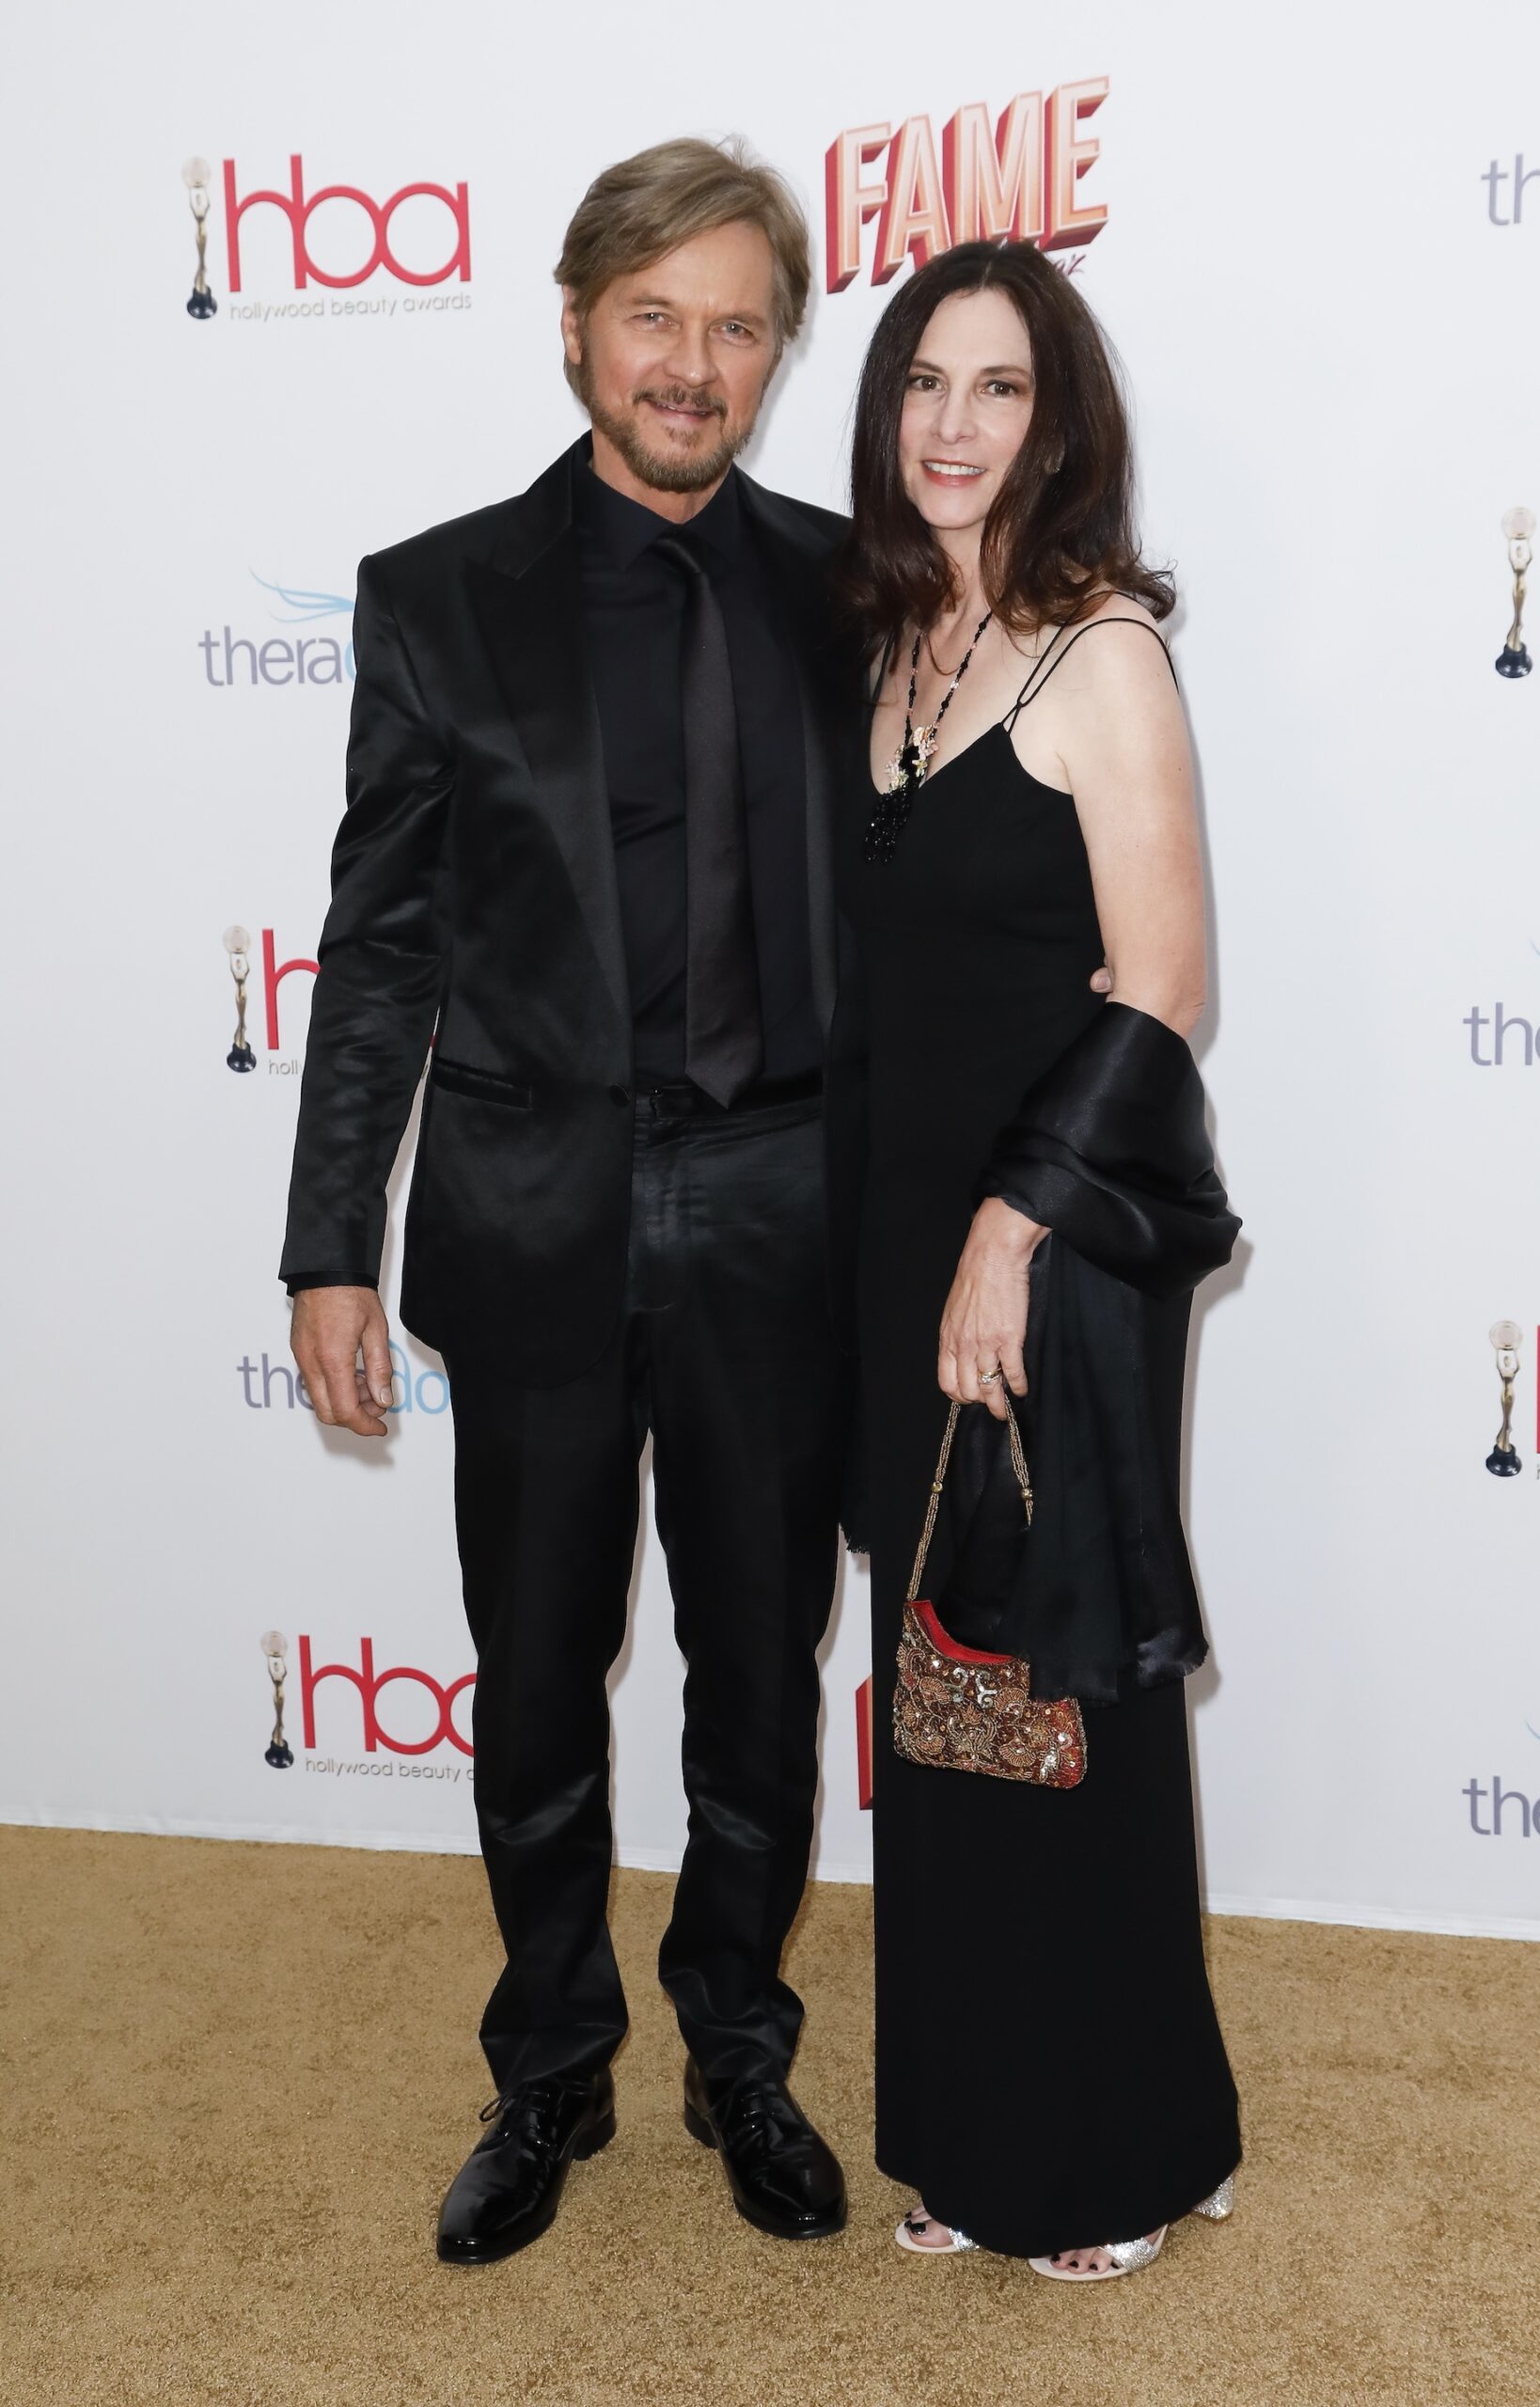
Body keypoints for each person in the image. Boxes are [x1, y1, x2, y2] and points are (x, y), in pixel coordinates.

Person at [280, 138, 860, 2265]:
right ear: (573, 322)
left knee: (756, 1666)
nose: (691, 365)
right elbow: (380, 947)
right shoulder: (435, 596)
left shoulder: (852, 581)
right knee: (530, 1673)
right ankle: (548, 2067)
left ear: (774, 354)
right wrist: (332, 1231)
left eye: (734, 327)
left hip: (783, 1208)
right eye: (654, 317)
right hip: (533, 1209)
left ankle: (737, 2039)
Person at [835, 240, 1242, 2281]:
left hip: (1055, 1236)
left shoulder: (1102, 658)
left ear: (1056, 417)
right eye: (921, 380)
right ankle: (975, 2129)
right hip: (896, 1241)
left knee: (1056, 1657)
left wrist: (1005, 1229)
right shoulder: (888, 647)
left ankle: (1122, 2144)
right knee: (936, 1684)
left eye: (995, 387)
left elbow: (1159, 983)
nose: (949, 424)